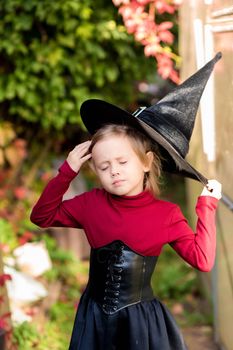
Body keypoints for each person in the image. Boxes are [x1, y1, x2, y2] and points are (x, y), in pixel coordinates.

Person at [30, 53, 222, 350]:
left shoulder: (166, 215)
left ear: (146, 162)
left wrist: (206, 206)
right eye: (103, 166)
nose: (114, 170)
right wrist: (66, 171)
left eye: (122, 161)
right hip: (94, 320)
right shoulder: (90, 204)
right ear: (94, 169)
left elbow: (203, 260)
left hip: (141, 326)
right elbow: (41, 217)